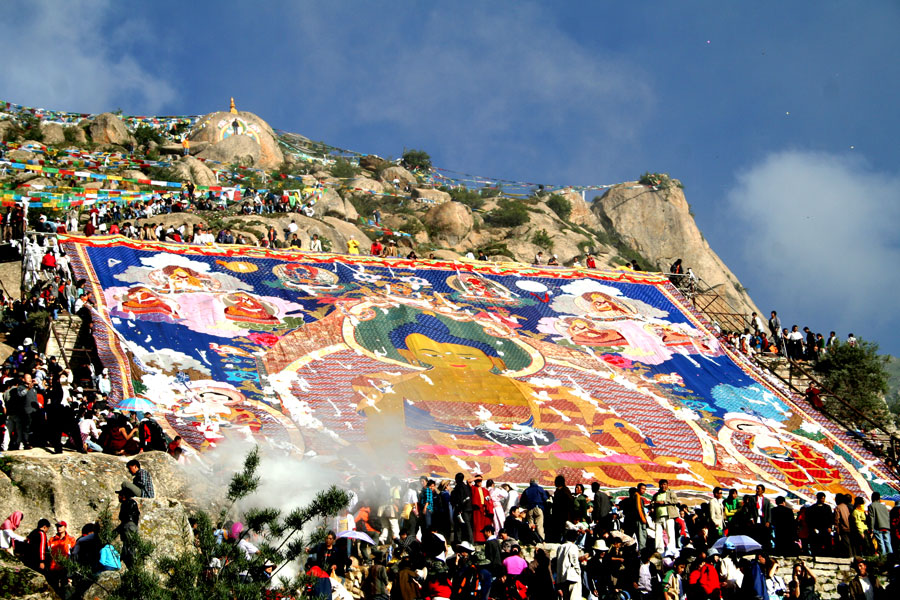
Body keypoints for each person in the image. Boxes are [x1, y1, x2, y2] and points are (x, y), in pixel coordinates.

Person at [653, 479, 679, 553]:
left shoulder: (671, 493)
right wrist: (654, 503)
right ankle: (659, 550)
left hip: (668, 516)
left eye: (664, 484)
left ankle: (671, 549)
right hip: (658, 516)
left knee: (670, 534)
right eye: (661, 484)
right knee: (658, 534)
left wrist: (664, 502)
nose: (663, 486)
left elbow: (675, 501)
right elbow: (652, 502)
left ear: (667, 485)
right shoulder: (656, 494)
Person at [556, 529, 582, 600]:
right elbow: (574, 561)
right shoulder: (573, 546)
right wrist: (578, 571)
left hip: (563, 577)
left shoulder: (560, 547)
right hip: (572, 576)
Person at [450, 472, 473, 543]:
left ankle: (459, 541)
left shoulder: (459, 487)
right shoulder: (466, 487)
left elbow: (460, 499)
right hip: (469, 508)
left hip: (462, 509)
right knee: (468, 526)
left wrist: (459, 509)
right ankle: (469, 541)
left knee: (459, 526)